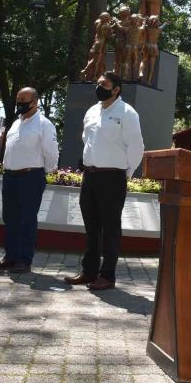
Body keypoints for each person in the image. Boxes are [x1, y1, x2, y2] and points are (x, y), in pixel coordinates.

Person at [64, 72, 144, 290]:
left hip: (113, 177)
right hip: (90, 175)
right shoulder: (91, 111)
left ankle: (107, 276)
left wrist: (125, 174)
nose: (98, 87)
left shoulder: (127, 113)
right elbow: (86, 140)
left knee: (110, 228)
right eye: (98, 84)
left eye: (104, 85)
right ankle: (89, 271)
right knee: (91, 227)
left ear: (116, 89)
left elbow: (136, 147)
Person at [0, 87, 59, 273]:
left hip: (31, 176)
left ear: (35, 102)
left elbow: (51, 152)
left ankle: (24, 260)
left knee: (27, 219)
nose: (20, 103)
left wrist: (45, 171)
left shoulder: (44, 124)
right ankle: (10, 257)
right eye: (18, 99)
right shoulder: (16, 123)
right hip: (11, 176)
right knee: (10, 218)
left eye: (24, 100)